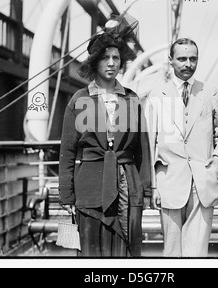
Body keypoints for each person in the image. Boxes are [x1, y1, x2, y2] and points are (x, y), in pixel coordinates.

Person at [58, 16, 151, 257]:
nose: (111, 63)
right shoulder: (79, 100)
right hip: (89, 189)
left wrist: (147, 191)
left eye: (116, 58)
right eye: (105, 58)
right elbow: (67, 152)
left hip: (125, 188)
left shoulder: (131, 100)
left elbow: (142, 151)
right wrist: (66, 195)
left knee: (124, 252)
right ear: (94, 61)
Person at [145, 38, 218, 257]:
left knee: (197, 254)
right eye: (182, 59)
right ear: (171, 61)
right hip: (170, 184)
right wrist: (153, 187)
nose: (187, 64)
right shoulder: (157, 96)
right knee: (172, 253)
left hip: (202, 184)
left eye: (193, 59)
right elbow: (148, 144)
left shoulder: (209, 92)